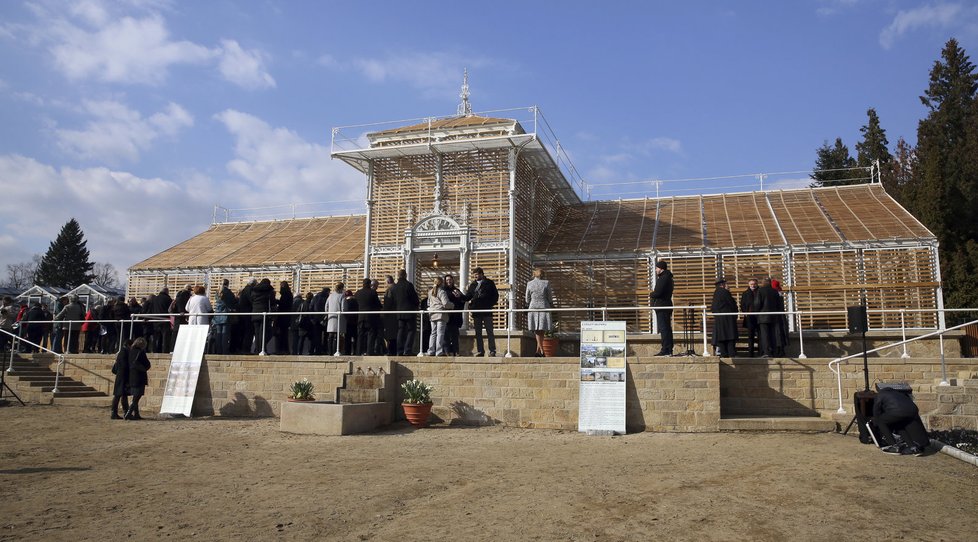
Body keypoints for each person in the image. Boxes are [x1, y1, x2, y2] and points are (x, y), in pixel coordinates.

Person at [874, 387, 930, 456]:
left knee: (880, 421)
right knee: (899, 425)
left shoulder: (880, 394)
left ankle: (894, 446)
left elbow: (876, 411)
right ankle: (914, 448)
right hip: (913, 410)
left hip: (897, 411)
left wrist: (876, 422)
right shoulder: (899, 393)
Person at [466, 267, 499, 357]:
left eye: (477, 274)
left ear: (481, 274)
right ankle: (480, 351)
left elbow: (495, 295)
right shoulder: (473, 285)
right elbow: (468, 296)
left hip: (487, 310)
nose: (475, 277)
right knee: (478, 332)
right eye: (474, 275)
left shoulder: (489, 283)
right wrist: (460, 296)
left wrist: (490, 304)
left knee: (489, 331)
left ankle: (492, 350)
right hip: (476, 311)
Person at [390, 269, 420, 356]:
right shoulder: (408, 285)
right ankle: (407, 350)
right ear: (405, 275)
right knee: (411, 330)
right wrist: (416, 305)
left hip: (399, 311)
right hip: (409, 311)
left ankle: (399, 351)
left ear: (398, 276)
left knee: (400, 331)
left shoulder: (394, 287)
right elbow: (414, 298)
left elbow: (394, 300)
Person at [525, 268, 554, 357]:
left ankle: (538, 350)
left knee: (537, 329)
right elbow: (549, 297)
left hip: (533, 307)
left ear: (534, 274)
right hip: (544, 306)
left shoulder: (529, 284)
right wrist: (550, 302)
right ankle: (541, 349)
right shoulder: (546, 283)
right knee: (541, 329)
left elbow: (527, 298)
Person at [650, 260, 675, 356]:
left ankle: (666, 349)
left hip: (663, 306)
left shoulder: (664, 278)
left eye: (656, 268)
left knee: (664, 328)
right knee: (667, 328)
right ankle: (668, 349)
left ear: (661, 268)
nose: (655, 270)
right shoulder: (667, 278)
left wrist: (651, 294)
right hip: (665, 305)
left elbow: (658, 292)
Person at [710, 278, 739, 358]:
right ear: (722, 284)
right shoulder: (725, 292)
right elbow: (731, 304)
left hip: (720, 319)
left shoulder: (716, 293)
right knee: (730, 336)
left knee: (722, 337)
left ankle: (724, 353)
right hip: (727, 319)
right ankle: (731, 354)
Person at [354, 278, 383, 356]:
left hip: (360, 317)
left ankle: (358, 352)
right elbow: (378, 305)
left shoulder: (358, 293)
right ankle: (370, 352)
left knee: (360, 335)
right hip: (370, 317)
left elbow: (355, 304)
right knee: (371, 334)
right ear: (370, 284)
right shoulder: (372, 292)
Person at [125, 337, 151, 420]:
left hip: (132, 376)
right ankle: (129, 413)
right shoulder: (140, 352)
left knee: (135, 396)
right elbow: (146, 363)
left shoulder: (131, 351)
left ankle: (136, 413)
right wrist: (144, 368)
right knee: (137, 396)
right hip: (139, 376)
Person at [426, 277, 451, 356]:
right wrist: (452, 305)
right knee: (440, 333)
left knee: (433, 333)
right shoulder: (442, 292)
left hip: (432, 314)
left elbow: (428, 303)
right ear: (442, 283)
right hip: (440, 314)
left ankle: (431, 351)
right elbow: (446, 304)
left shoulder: (430, 292)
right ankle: (439, 351)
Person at [250, 278, 276, 354]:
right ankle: (263, 349)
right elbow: (272, 302)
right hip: (264, 314)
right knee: (263, 333)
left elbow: (252, 300)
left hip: (255, 314)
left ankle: (257, 350)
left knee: (257, 333)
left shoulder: (254, 290)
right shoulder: (269, 291)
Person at [755, 277, 780, 358]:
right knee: (773, 334)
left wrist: (756, 312)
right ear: (769, 283)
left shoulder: (760, 291)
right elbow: (778, 304)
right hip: (773, 316)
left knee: (764, 335)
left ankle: (767, 352)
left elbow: (757, 304)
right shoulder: (775, 291)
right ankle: (774, 351)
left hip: (763, 316)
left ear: (763, 283)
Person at [443, 274, 466, 356]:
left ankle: (456, 351)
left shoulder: (456, 290)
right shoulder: (443, 290)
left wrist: (459, 297)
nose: (449, 281)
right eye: (447, 280)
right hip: (446, 315)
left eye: (450, 280)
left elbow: (463, 300)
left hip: (455, 316)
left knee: (455, 335)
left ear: (452, 280)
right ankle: (447, 351)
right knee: (446, 335)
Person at [110, 341, 130, 419]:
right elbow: (124, 365)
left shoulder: (122, 352)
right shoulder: (124, 352)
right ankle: (115, 412)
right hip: (122, 377)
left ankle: (125, 411)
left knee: (122, 395)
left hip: (121, 376)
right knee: (118, 395)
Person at [740, 279, 760, 357]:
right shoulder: (745, 293)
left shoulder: (759, 292)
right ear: (749, 284)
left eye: (754, 284)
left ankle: (760, 352)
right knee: (750, 336)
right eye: (751, 284)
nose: (753, 285)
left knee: (760, 336)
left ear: (757, 284)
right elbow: (742, 304)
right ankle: (750, 353)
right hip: (750, 317)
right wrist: (745, 313)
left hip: (758, 317)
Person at [150, 288, 172, 353]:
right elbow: (170, 310)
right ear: (167, 292)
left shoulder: (154, 299)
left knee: (157, 338)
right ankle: (165, 351)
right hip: (165, 320)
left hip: (155, 321)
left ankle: (156, 351)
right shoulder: (168, 299)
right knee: (165, 338)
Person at [325, 282, 345, 355]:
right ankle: (335, 351)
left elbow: (326, 306)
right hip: (338, 317)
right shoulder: (341, 296)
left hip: (331, 317)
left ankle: (329, 352)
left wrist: (328, 313)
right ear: (342, 288)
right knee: (336, 336)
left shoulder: (330, 296)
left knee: (330, 336)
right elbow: (343, 308)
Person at [276, 281, 294, 354]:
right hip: (285, 317)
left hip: (283, 317)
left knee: (283, 334)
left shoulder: (286, 294)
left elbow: (284, 304)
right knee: (283, 334)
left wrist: (277, 302)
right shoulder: (288, 294)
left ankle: (283, 350)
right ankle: (284, 350)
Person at [382, 276, 398, 356]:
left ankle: (391, 352)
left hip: (391, 316)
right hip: (398, 314)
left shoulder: (389, 290)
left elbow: (387, 304)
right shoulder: (398, 288)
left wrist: (384, 313)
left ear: (388, 282)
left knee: (391, 335)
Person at [311, 286, 330, 355]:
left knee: (317, 336)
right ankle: (324, 350)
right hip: (325, 319)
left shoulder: (315, 297)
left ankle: (317, 350)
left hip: (316, 319)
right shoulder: (327, 297)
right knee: (326, 336)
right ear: (327, 291)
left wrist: (312, 318)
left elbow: (311, 307)